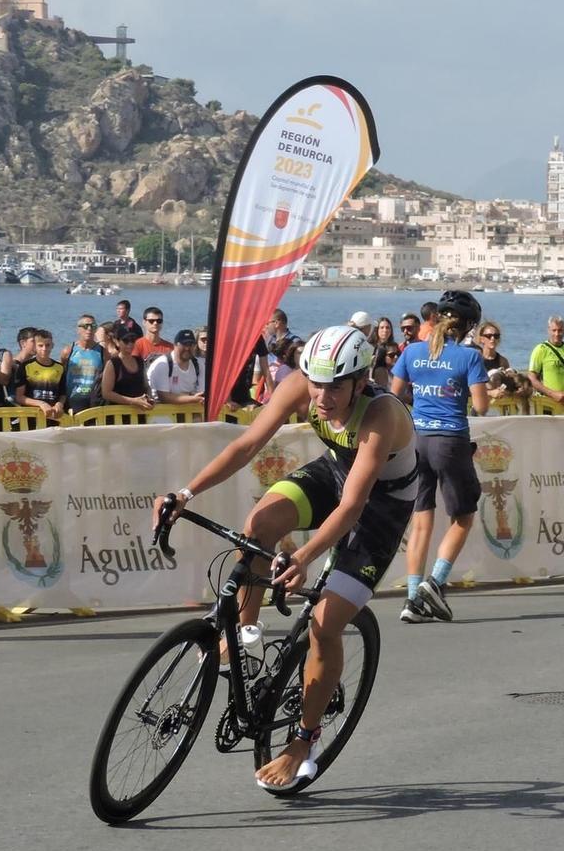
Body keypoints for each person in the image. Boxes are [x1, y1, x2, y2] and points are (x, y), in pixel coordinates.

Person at [155, 325, 419, 788]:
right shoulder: (302, 384)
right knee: (258, 527)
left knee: (325, 622)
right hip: (334, 472)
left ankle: (303, 741)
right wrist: (185, 493)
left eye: (334, 386)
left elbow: (355, 506)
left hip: (381, 505)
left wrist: (306, 558)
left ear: (360, 382)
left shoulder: (382, 414)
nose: (321, 395)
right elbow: (246, 445)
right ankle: (247, 633)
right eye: (316, 383)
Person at [390, 290, 489, 623]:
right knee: (463, 516)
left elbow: (393, 396)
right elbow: (481, 406)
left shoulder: (412, 352)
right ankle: (435, 582)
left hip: (418, 439)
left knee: (421, 522)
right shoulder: (469, 357)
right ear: (466, 327)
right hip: (450, 441)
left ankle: (412, 599)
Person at [14, 328, 70, 422]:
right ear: (35, 347)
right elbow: (19, 397)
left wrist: (59, 404)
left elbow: (62, 394)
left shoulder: (59, 368)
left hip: (53, 417)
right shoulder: (26, 367)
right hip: (31, 418)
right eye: (40, 346)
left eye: (47, 345)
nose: (44, 349)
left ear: (52, 346)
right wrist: (41, 404)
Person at [527, 316, 564, 405]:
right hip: (547, 402)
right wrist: (552, 394)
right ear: (548, 330)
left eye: (560, 330)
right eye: (554, 330)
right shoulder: (540, 349)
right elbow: (532, 378)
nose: (557, 334)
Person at [101, 323, 155, 408]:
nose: (130, 344)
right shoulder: (113, 364)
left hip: (139, 413)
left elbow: (146, 386)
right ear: (117, 341)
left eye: (133, 340)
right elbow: (106, 393)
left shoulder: (139, 361)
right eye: (126, 340)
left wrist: (149, 398)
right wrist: (133, 401)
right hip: (118, 415)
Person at [147, 329, 206, 406]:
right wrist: (193, 399)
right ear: (175, 345)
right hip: (160, 409)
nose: (187, 348)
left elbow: (200, 393)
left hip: (187, 408)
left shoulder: (199, 364)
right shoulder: (163, 364)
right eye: (184, 344)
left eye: (191, 344)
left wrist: (197, 398)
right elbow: (164, 397)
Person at [475, 321, 528, 405]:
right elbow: (471, 387)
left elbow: (507, 384)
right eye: (489, 336)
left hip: (499, 404)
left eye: (496, 336)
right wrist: (491, 393)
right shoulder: (476, 360)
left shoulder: (503, 361)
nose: (492, 339)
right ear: (482, 339)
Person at [63, 314, 106, 415]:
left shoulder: (103, 352)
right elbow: (62, 374)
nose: (89, 329)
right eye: (86, 326)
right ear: (78, 329)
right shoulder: (68, 351)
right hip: (73, 400)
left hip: (94, 401)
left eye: (93, 326)